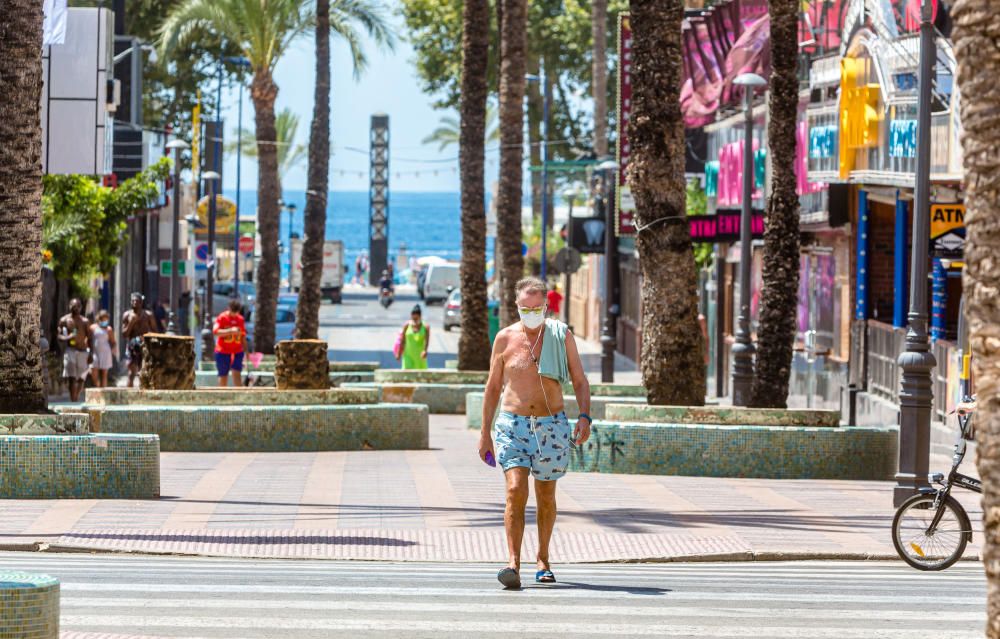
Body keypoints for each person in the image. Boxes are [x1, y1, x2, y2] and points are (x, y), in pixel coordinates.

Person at [478, 277, 591, 589]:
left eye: (537, 307)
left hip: (551, 425)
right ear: (517, 306)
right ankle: (512, 562)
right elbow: (492, 388)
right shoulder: (504, 338)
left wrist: (584, 416)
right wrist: (484, 432)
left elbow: (580, 380)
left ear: (546, 306)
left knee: (546, 495)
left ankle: (543, 558)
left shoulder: (560, 334)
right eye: (525, 308)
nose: (531, 313)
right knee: (515, 490)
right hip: (512, 425)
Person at [57, 298, 90, 402]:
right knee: (72, 377)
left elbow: (90, 337)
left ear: (81, 307)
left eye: (78, 306)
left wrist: (91, 352)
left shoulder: (85, 321)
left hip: (83, 351)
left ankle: (76, 395)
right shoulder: (63, 320)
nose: (75, 308)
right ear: (69, 306)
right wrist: (68, 337)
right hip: (70, 350)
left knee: (81, 378)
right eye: (73, 306)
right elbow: (58, 336)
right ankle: (74, 400)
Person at [122, 292, 157, 387]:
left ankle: (143, 394)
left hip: (144, 345)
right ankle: (129, 396)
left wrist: (146, 338)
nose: (134, 303)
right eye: (132, 301)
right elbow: (124, 334)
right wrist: (131, 323)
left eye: (136, 301)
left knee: (144, 372)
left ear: (141, 303)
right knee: (131, 372)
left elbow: (155, 331)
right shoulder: (127, 315)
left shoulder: (148, 315)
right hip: (131, 345)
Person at [213, 298, 247, 387]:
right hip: (223, 351)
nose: (234, 314)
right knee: (223, 376)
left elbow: (243, 336)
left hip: (237, 351)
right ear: (229, 309)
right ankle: (222, 397)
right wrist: (230, 330)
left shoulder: (240, 319)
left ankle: (239, 398)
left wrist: (247, 351)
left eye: (236, 312)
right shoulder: (222, 317)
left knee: (237, 375)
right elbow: (215, 332)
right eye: (233, 312)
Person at [88, 310, 116, 388]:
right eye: (103, 319)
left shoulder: (109, 329)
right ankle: (97, 388)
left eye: (106, 319)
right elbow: (89, 339)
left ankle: (103, 391)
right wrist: (89, 351)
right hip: (95, 353)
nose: (104, 321)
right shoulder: (93, 327)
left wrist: (113, 350)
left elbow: (113, 341)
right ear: (99, 319)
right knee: (94, 373)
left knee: (104, 374)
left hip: (105, 353)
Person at [398, 305, 429, 369]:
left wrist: (425, 350)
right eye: (413, 318)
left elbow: (426, 341)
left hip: (420, 356)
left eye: (416, 318)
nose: (414, 320)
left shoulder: (425, 327)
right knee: (407, 375)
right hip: (408, 355)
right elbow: (402, 340)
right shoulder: (406, 326)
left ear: (420, 317)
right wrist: (399, 353)